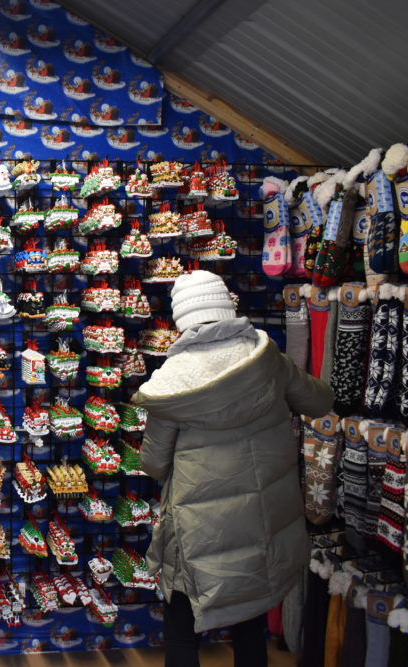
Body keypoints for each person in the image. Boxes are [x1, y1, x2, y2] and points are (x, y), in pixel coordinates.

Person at [131, 270, 332, 667]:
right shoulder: (266, 357)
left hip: (198, 530)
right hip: (260, 523)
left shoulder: (173, 383)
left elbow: (153, 463)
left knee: (181, 628)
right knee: (249, 622)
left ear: (181, 319)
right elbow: (319, 401)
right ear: (226, 306)